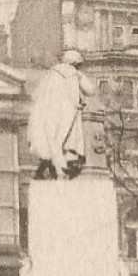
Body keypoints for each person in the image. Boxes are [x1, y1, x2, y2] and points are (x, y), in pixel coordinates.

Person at [27, 49, 98, 179]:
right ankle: (60, 170)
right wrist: (80, 75)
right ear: (76, 63)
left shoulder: (50, 74)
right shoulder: (74, 73)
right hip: (68, 116)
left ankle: (51, 170)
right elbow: (90, 90)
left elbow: (36, 96)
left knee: (51, 145)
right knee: (65, 145)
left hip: (49, 116)